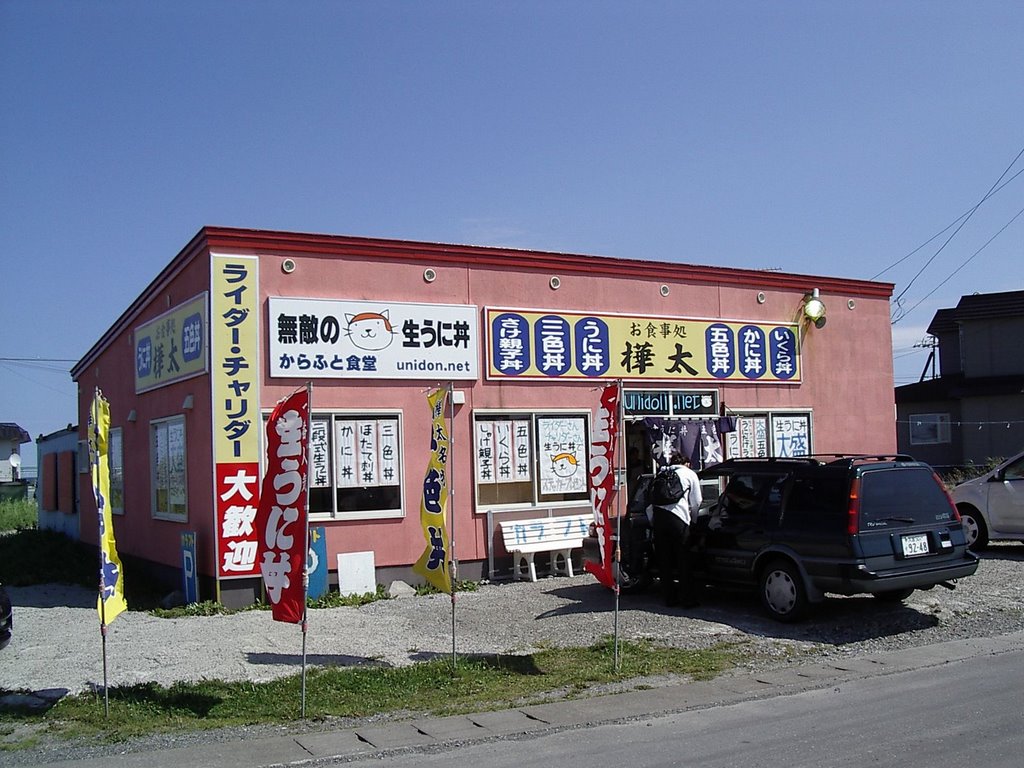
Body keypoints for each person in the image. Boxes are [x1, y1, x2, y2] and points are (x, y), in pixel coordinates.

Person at [652, 452, 703, 608]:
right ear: (686, 463)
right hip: (678, 519)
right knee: (683, 560)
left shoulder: (661, 473)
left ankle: (669, 598)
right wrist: (693, 521)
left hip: (659, 519)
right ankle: (687, 599)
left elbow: (650, 499)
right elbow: (697, 501)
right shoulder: (689, 474)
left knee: (664, 560)